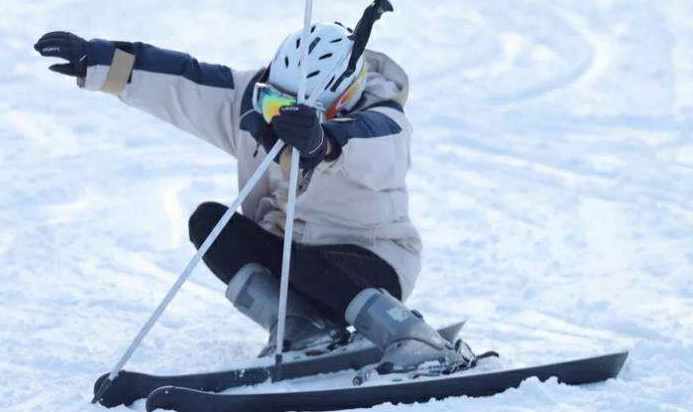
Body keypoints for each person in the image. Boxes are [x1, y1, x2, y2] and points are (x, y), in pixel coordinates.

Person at [34, 19, 466, 375]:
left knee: (298, 261)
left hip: (372, 267)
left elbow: (366, 144)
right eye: (271, 101)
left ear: (339, 104)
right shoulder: (253, 104)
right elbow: (185, 83)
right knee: (210, 224)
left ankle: (413, 335)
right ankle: (301, 326)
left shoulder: (383, 124)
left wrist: (322, 143)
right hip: (292, 262)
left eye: (291, 112)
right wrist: (104, 62)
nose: (275, 117)